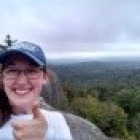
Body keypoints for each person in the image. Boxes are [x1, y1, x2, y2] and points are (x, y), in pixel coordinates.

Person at [0, 41, 72, 139]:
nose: (21, 81)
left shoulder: (56, 121)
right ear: (2, 77)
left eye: (31, 71)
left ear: (44, 78)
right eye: (12, 71)